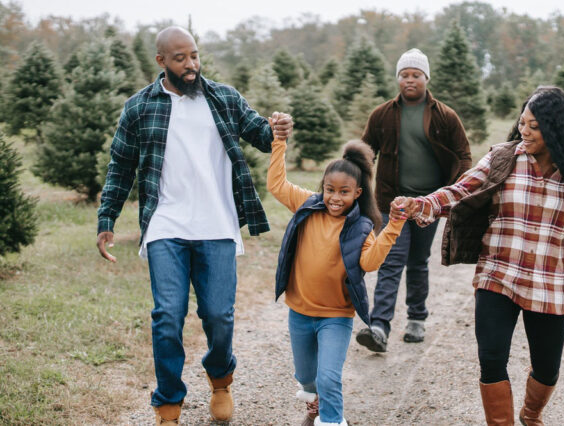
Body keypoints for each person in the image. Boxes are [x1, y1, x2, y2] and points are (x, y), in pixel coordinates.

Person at [95, 26, 293, 425]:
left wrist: (277, 129)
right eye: (181, 58)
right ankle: (168, 401)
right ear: (161, 61)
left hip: (217, 225)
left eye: (195, 56)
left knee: (218, 317)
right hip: (165, 224)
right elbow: (120, 167)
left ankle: (220, 379)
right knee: (167, 316)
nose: (191, 65)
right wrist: (107, 220)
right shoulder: (139, 107)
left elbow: (258, 134)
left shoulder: (223, 97)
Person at [390, 86, 564, 426]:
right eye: (522, 122)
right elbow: (460, 190)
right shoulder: (504, 158)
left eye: (535, 126)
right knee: (492, 360)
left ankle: (531, 414)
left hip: (549, 284)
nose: (524, 131)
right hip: (497, 274)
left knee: (547, 368)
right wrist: (420, 204)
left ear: (556, 130)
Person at [267, 133, 406, 426]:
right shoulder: (307, 206)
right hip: (300, 312)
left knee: (328, 377)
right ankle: (314, 405)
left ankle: (331, 420)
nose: (335, 197)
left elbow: (369, 262)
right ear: (323, 188)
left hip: (336, 316)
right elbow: (277, 185)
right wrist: (279, 142)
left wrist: (394, 225)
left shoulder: (361, 226)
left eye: (344, 192)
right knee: (306, 377)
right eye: (330, 189)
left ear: (357, 193)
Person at [355, 48, 472, 352]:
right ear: (398, 79)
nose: (410, 80)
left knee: (418, 262)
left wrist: (450, 193)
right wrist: (353, 184)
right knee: (391, 262)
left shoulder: (444, 115)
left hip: (427, 205)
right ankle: (378, 326)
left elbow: (463, 155)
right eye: (404, 75)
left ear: (425, 78)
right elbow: (365, 153)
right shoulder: (382, 114)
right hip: (391, 203)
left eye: (416, 75)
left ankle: (416, 319)